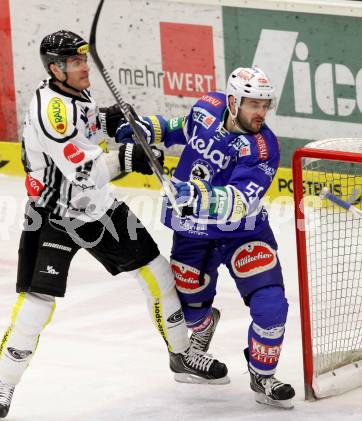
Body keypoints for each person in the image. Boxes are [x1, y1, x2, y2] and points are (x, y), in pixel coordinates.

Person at [0, 30, 228, 419]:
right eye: (76, 62)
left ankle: (183, 355)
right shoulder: (51, 110)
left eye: (85, 59)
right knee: (36, 305)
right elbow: (82, 169)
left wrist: (109, 120)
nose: (85, 67)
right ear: (55, 68)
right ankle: (5, 383)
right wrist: (129, 158)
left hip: (100, 209)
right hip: (54, 216)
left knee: (159, 275)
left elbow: (85, 128)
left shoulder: (74, 96)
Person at [116, 66, 296, 409]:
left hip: (244, 233)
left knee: (272, 305)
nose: (260, 112)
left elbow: (240, 201)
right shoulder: (208, 107)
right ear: (232, 101)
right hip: (193, 233)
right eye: (252, 104)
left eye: (265, 105)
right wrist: (146, 129)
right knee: (188, 312)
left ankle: (263, 376)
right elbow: (177, 129)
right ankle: (202, 326)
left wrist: (197, 195)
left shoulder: (263, 147)